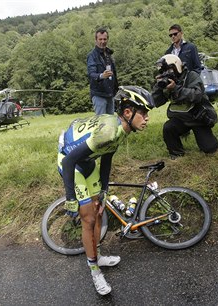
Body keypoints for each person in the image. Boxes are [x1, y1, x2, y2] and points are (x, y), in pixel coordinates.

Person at [58, 86, 154, 295]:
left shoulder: (120, 131)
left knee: (98, 211)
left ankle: (98, 256)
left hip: (87, 161)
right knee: (89, 218)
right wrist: (70, 199)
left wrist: (103, 190)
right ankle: (94, 271)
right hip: (71, 162)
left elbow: (107, 158)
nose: (147, 118)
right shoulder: (109, 132)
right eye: (144, 113)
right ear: (128, 113)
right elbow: (68, 162)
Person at [152, 54, 218, 159]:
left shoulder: (191, 76)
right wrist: (158, 87)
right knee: (168, 127)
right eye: (164, 71)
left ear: (177, 67)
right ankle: (176, 154)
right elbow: (156, 102)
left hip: (197, 117)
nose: (167, 73)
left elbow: (196, 95)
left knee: (210, 148)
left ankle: (207, 139)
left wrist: (176, 89)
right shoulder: (167, 82)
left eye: (169, 70)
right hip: (180, 119)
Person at [87, 28, 118, 115]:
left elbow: (114, 74)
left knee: (110, 123)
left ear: (107, 39)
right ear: (96, 40)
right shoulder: (92, 56)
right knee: (101, 123)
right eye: (100, 39)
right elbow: (91, 74)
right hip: (99, 95)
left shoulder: (109, 54)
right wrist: (101, 76)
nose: (102, 41)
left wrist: (117, 89)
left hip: (110, 94)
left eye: (105, 39)